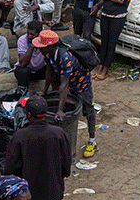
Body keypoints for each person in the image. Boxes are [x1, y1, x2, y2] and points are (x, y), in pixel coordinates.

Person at [4, 95, 71, 200]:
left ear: (28, 114)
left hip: (27, 187)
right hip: (50, 183)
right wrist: (62, 176)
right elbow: (66, 160)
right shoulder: (58, 133)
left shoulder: (20, 136)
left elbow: (12, 165)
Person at [38, 30, 98, 158]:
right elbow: (49, 70)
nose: (38, 48)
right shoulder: (48, 53)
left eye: (41, 46)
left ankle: (92, 141)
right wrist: (44, 90)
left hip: (81, 81)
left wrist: (59, 109)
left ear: (49, 46)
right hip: (69, 81)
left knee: (88, 108)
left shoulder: (65, 57)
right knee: (71, 107)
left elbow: (63, 85)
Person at [94, 0, 135, 80]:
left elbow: (121, 1)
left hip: (117, 18)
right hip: (106, 15)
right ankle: (100, 66)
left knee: (111, 43)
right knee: (104, 42)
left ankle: (105, 69)